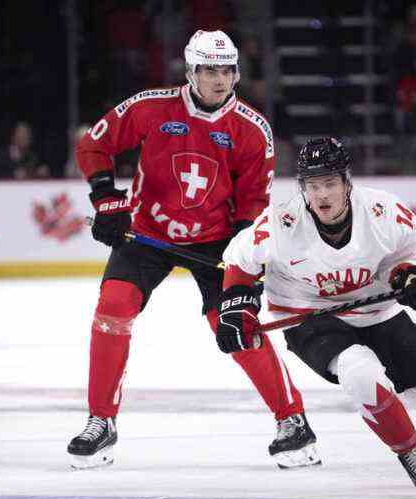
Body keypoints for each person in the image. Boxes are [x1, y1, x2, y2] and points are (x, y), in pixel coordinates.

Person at [67, 29, 320, 470]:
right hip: (149, 233)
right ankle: (100, 421)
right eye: (209, 69)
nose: (219, 79)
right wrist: (106, 199)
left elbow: (253, 205)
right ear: (191, 71)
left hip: (219, 242)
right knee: (114, 305)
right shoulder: (150, 106)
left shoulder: (252, 129)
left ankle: (293, 421)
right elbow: (94, 143)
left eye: (227, 69)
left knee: (234, 324)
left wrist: (247, 268)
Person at [218, 137, 416, 494]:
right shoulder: (281, 223)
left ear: (346, 182)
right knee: (359, 372)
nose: (322, 195)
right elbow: (239, 261)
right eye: (313, 186)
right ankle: (410, 451)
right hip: (309, 318)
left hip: (377, 311)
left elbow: (406, 256)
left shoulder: (384, 212)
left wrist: (411, 279)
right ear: (303, 188)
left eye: (329, 183)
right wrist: (237, 308)